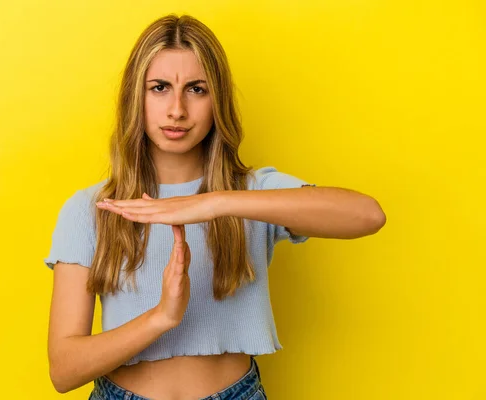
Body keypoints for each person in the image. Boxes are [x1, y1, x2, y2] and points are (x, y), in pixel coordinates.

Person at [44, 13, 386, 400]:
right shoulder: (93, 210)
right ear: (134, 96)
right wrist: (161, 318)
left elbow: (368, 215)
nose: (177, 109)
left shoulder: (251, 193)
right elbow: (64, 370)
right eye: (159, 88)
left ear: (217, 99)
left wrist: (216, 202)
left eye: (196, 89)